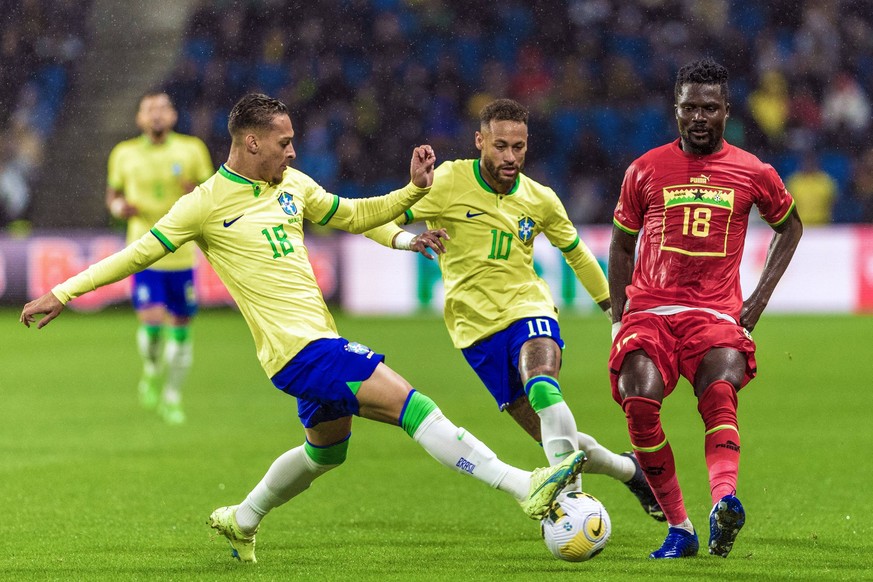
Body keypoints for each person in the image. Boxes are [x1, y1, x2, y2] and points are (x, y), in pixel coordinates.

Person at [20, 93, 586, 564]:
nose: (293, 149)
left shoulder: (293, 185)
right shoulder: (204, 204)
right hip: (300, 350)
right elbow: (136, 254)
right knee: (413, 406)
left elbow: (355, 214)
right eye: (283, 142)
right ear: (250, 143)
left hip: (312, 343)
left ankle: (242, 519)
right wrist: (64, 292)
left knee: (325, 454)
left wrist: (413, 195)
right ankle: (523, 485)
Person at [364, 98, 664, 521]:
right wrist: (406, 239)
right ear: (479, 141)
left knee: (542, 385)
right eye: (500, 146)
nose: (510, 157)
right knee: (557, 439)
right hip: (474, 333)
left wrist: (617, 316)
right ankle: (630, 469)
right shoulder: (448, 181)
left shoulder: (540, 199)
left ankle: (571, 504)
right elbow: (377, 217)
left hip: (529, 308)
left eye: (518, 147)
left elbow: (577, 255)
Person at [608, 59, 803, 559]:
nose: (698, 117)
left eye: (709, 108)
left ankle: (724, 503)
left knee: (720, 390)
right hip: (650, 312)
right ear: (675, 108)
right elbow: (621, 246)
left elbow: (791, 226)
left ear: (726, 111)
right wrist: (618, 321)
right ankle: (679, 526)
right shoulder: (645, 169)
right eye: (689, 107)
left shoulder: (753, 170)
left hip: (715, 316)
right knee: (638, 399)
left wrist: (755, 303)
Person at [105, 91, 214, 424]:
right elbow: (114, 194)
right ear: (139, 118)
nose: (156, 114)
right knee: (152, 327)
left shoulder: (192, 149)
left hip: (181, 253)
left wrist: (196, 193)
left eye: (163, 108)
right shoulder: (123, 153)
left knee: (181, 329)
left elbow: (212, 192)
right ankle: (152, 369)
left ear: (173, 116)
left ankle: (172, 397)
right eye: (149, 109)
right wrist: (118, 208)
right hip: (144, 251)